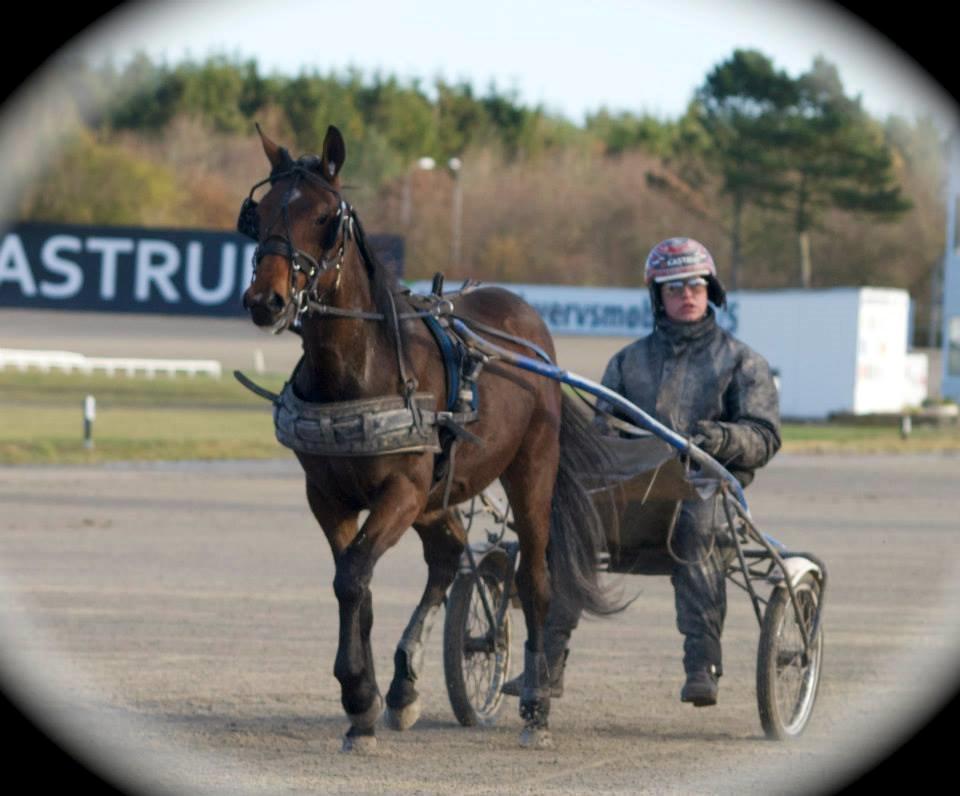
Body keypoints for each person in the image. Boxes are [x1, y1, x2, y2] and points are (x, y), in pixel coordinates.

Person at [502, 236, 782, 706]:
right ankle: (545, 668)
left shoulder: (742, 362)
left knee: (697, 527)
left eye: (695, 286)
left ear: (710, 290)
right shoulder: (628, 362)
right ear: (658, 297)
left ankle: (701, 666)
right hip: (634, 493)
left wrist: (719, 438)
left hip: (707, 489)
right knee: (568, 527)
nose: (686, 295)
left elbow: (765, 436)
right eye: (674, 288)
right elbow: (601, 430)